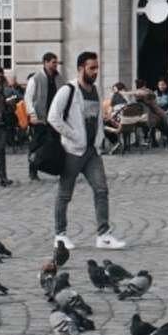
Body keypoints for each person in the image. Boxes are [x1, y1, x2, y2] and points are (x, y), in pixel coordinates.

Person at [48, 51, 122, 250]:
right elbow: (53, 117)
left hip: (92, 151)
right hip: (73, 150)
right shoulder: (68, 90)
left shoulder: (95, 90)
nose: (95, 71)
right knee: (65, 194)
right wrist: (72, 135)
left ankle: (104, 235)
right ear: (81, 68)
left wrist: (101, 136)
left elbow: (96, 117)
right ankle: (60, 235)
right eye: (92, 68)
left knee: (101, 189)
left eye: (97, 67)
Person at [22, 53, 61, 181]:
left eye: (56, 62)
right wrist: (32, 114)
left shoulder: (59, 78)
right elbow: (28, 98)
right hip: (39, 118)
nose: (55, 65)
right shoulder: (36, 78)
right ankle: (32, 169)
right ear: (45, 62)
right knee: (38, 144)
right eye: (53, 62)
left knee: (56, 143)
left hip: (54, 117)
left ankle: (58, 168)